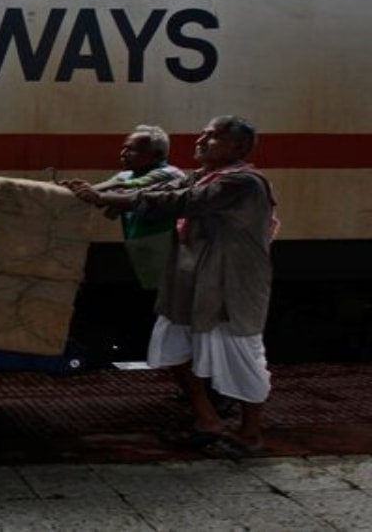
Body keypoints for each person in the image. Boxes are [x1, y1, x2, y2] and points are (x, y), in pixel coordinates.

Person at [65, 116, 278, 458]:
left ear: (237, 148)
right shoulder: (203, 177)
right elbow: (161, 193)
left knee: (241, 358)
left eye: (213, 137)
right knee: (172, 346)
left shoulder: (243, 182)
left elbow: (180, 201)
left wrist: (110, 198)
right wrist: (100, 194)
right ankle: (207, 420)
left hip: (228, 287)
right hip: (192, 283)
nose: (201, 140)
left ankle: (250, 434)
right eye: (204, 134)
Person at [84, 125, 185, 290]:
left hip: (163, 242)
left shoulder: (169, 173)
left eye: (132, 150)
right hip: (138, 243)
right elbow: (100, 199)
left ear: (157, 155)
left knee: (168, 291)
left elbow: (127, 186)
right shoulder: (126, 174)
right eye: (123, 148)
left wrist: (92, 190)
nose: (123, 154)